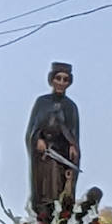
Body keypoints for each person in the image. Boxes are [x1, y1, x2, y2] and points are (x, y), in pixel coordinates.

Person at [26, 62, 80, 213]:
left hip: (61, 154)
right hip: (44, 155)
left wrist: (72, 146)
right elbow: (33, 128)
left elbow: (73, 132)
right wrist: (37, 139)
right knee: (44, 189)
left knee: (59, 189)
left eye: (65, 79)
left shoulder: (70, 106)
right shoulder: (42, 102)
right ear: (52, 80)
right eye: (58, 78)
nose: (61, 83)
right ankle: (43, 214)